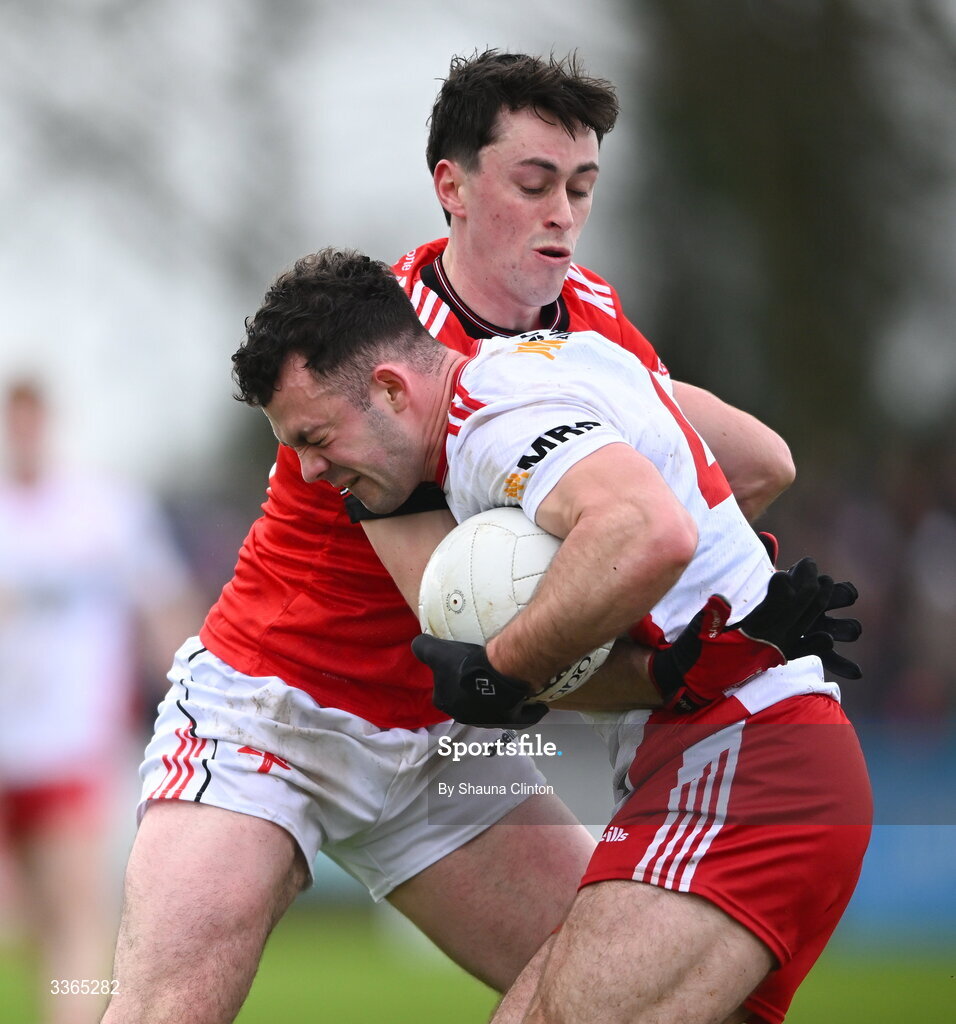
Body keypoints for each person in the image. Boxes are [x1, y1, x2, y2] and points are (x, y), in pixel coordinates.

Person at [104, 52, 801, 1023]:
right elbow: (470, 632)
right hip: (274, 715)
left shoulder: (588, 319)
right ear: (452, 187)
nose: (561, 211)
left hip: (441, 752)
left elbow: (757, 466)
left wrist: (715, 599)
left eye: (580, 186)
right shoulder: (387, 357)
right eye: (532, 183)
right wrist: (677, 656)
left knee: (648, 994)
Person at [231, 247, 871, 1024]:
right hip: (739, 759)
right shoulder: (555, 357)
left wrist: (501, 667)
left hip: (748, 770)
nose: (305, 472)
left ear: (393, 388)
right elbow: (756, 465)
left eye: (315, 436)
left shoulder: (489, 428)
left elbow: (645, 528)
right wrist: (688, 654)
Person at [0, 379, 200, 1024]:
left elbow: (163, 605)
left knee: (76, 913)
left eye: (31, 421)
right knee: (22, 920)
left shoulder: (105, 509)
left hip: (73, 742)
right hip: (6, 742)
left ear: (48, 424)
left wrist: (193, 692)